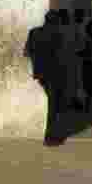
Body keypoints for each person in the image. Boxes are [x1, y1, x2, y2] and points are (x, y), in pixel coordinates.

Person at [27, 12, 67, 146]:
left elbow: (26, 52)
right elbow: (62, 54)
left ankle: (52, 136)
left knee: (53, 104)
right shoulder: (58, 34)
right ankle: (50, 137)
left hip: (40, 74)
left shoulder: (34, 32)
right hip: (55, 74)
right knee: (54, 106)